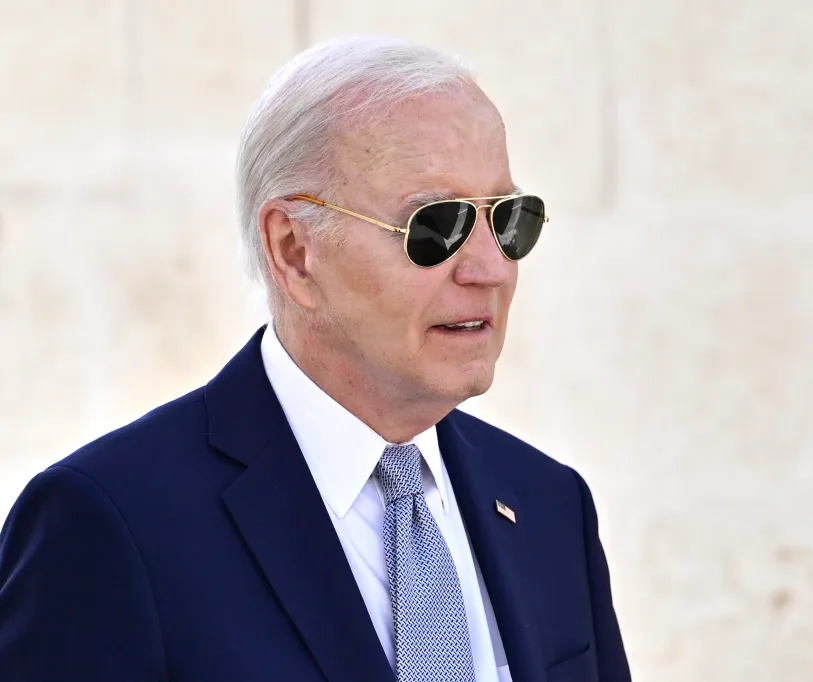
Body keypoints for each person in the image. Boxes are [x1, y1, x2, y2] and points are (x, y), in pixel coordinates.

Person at [0, 36, 630, 682]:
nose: (492, 268)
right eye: (436, 226)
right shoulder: (109, 523)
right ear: (295, 251)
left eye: (507, 219)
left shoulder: (550, 505)